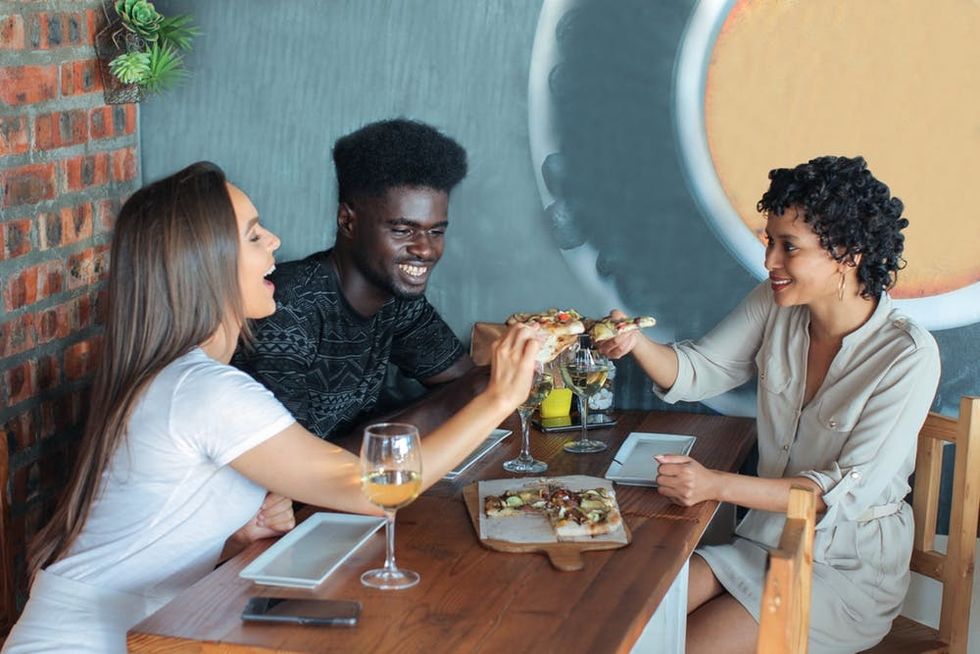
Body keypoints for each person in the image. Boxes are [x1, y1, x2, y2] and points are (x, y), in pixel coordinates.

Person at [2, 162, 538, 653]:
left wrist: (233, 535)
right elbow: (373, 488)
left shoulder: (183, 378)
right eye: (254, 235)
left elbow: (148, 535)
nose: (275, 241)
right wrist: (499, 398)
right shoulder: (205, 390)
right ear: (205, 266)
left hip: (143, 632)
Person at [598, 156, 940, 653]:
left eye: (789, 247)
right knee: (630, 614)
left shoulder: (908, 355)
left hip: (843, 575)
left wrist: (714, 484)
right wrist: (636, 345)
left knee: (684, 646)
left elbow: (835, 496)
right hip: (759, 545)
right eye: (770, 242)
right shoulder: (776, 303)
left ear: (848, 253)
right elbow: (701, 370)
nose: (769, 262)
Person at [233, 118, 481, 442]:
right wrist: (380, 438)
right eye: (403, 230)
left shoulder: (395, 300)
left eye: (436, 231)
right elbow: (296, 465)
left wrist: (374, 436)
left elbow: (465, 384)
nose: (424, 249)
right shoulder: (285, 312)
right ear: (347, 221)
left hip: (348, 486)